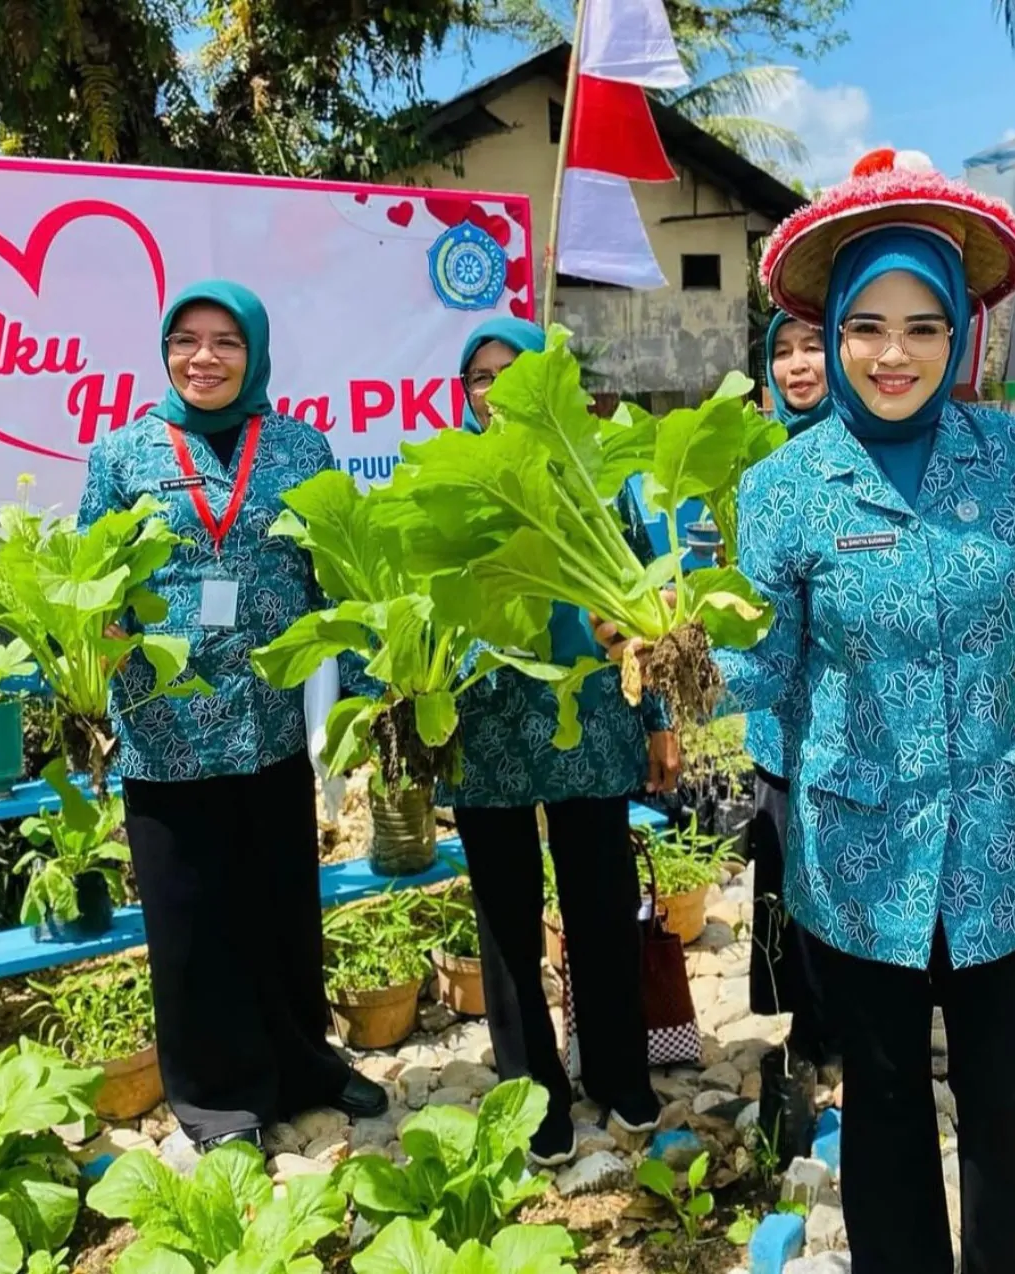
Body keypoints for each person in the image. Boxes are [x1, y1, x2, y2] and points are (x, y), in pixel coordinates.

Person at [598, 150, 1015, 1274]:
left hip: (1002, 834)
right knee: (886, 1095)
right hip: (857, 847)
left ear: (958, 333)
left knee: (1001, 1094)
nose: (892, 353)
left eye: (921, 327)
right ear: (832, 335)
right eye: (866, 327)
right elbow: (763, 668)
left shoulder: (1014, 458)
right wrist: (674, 658)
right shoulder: (786, 486)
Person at [78, 280, 388, 1152]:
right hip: (167, 727)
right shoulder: (124, 454)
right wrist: (99, 655)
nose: (204, 358)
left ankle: (304, 1067)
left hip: (270, 721)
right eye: (186, 340)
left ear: (254, 353)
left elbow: (338, 575)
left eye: (225, 341)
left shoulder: (299, 447)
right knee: (190, 919)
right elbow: (94, 579)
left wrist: (363, 699)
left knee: (282, 907)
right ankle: (218, 1099)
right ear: (165, 350)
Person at [447, 317, 676, 1167]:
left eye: (513, 374)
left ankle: (618, 1071)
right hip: (488, 726)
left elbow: (648, 599)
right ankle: (531, 1090)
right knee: (506, 917)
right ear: (463, 393)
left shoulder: (593, 474)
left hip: (591, 719)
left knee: (601, 905)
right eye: (480, 377)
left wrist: (659, 718)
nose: (495, 391)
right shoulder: (449, 479)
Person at [747, 312, 837, 1073]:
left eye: (812, 346)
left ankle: (861, 1030)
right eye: (781, 351)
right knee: (789, 880)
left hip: (851, 723)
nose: (797, 365)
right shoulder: (757, 460)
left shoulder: (870, 454)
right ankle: (810, 1030)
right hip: (777, 721)